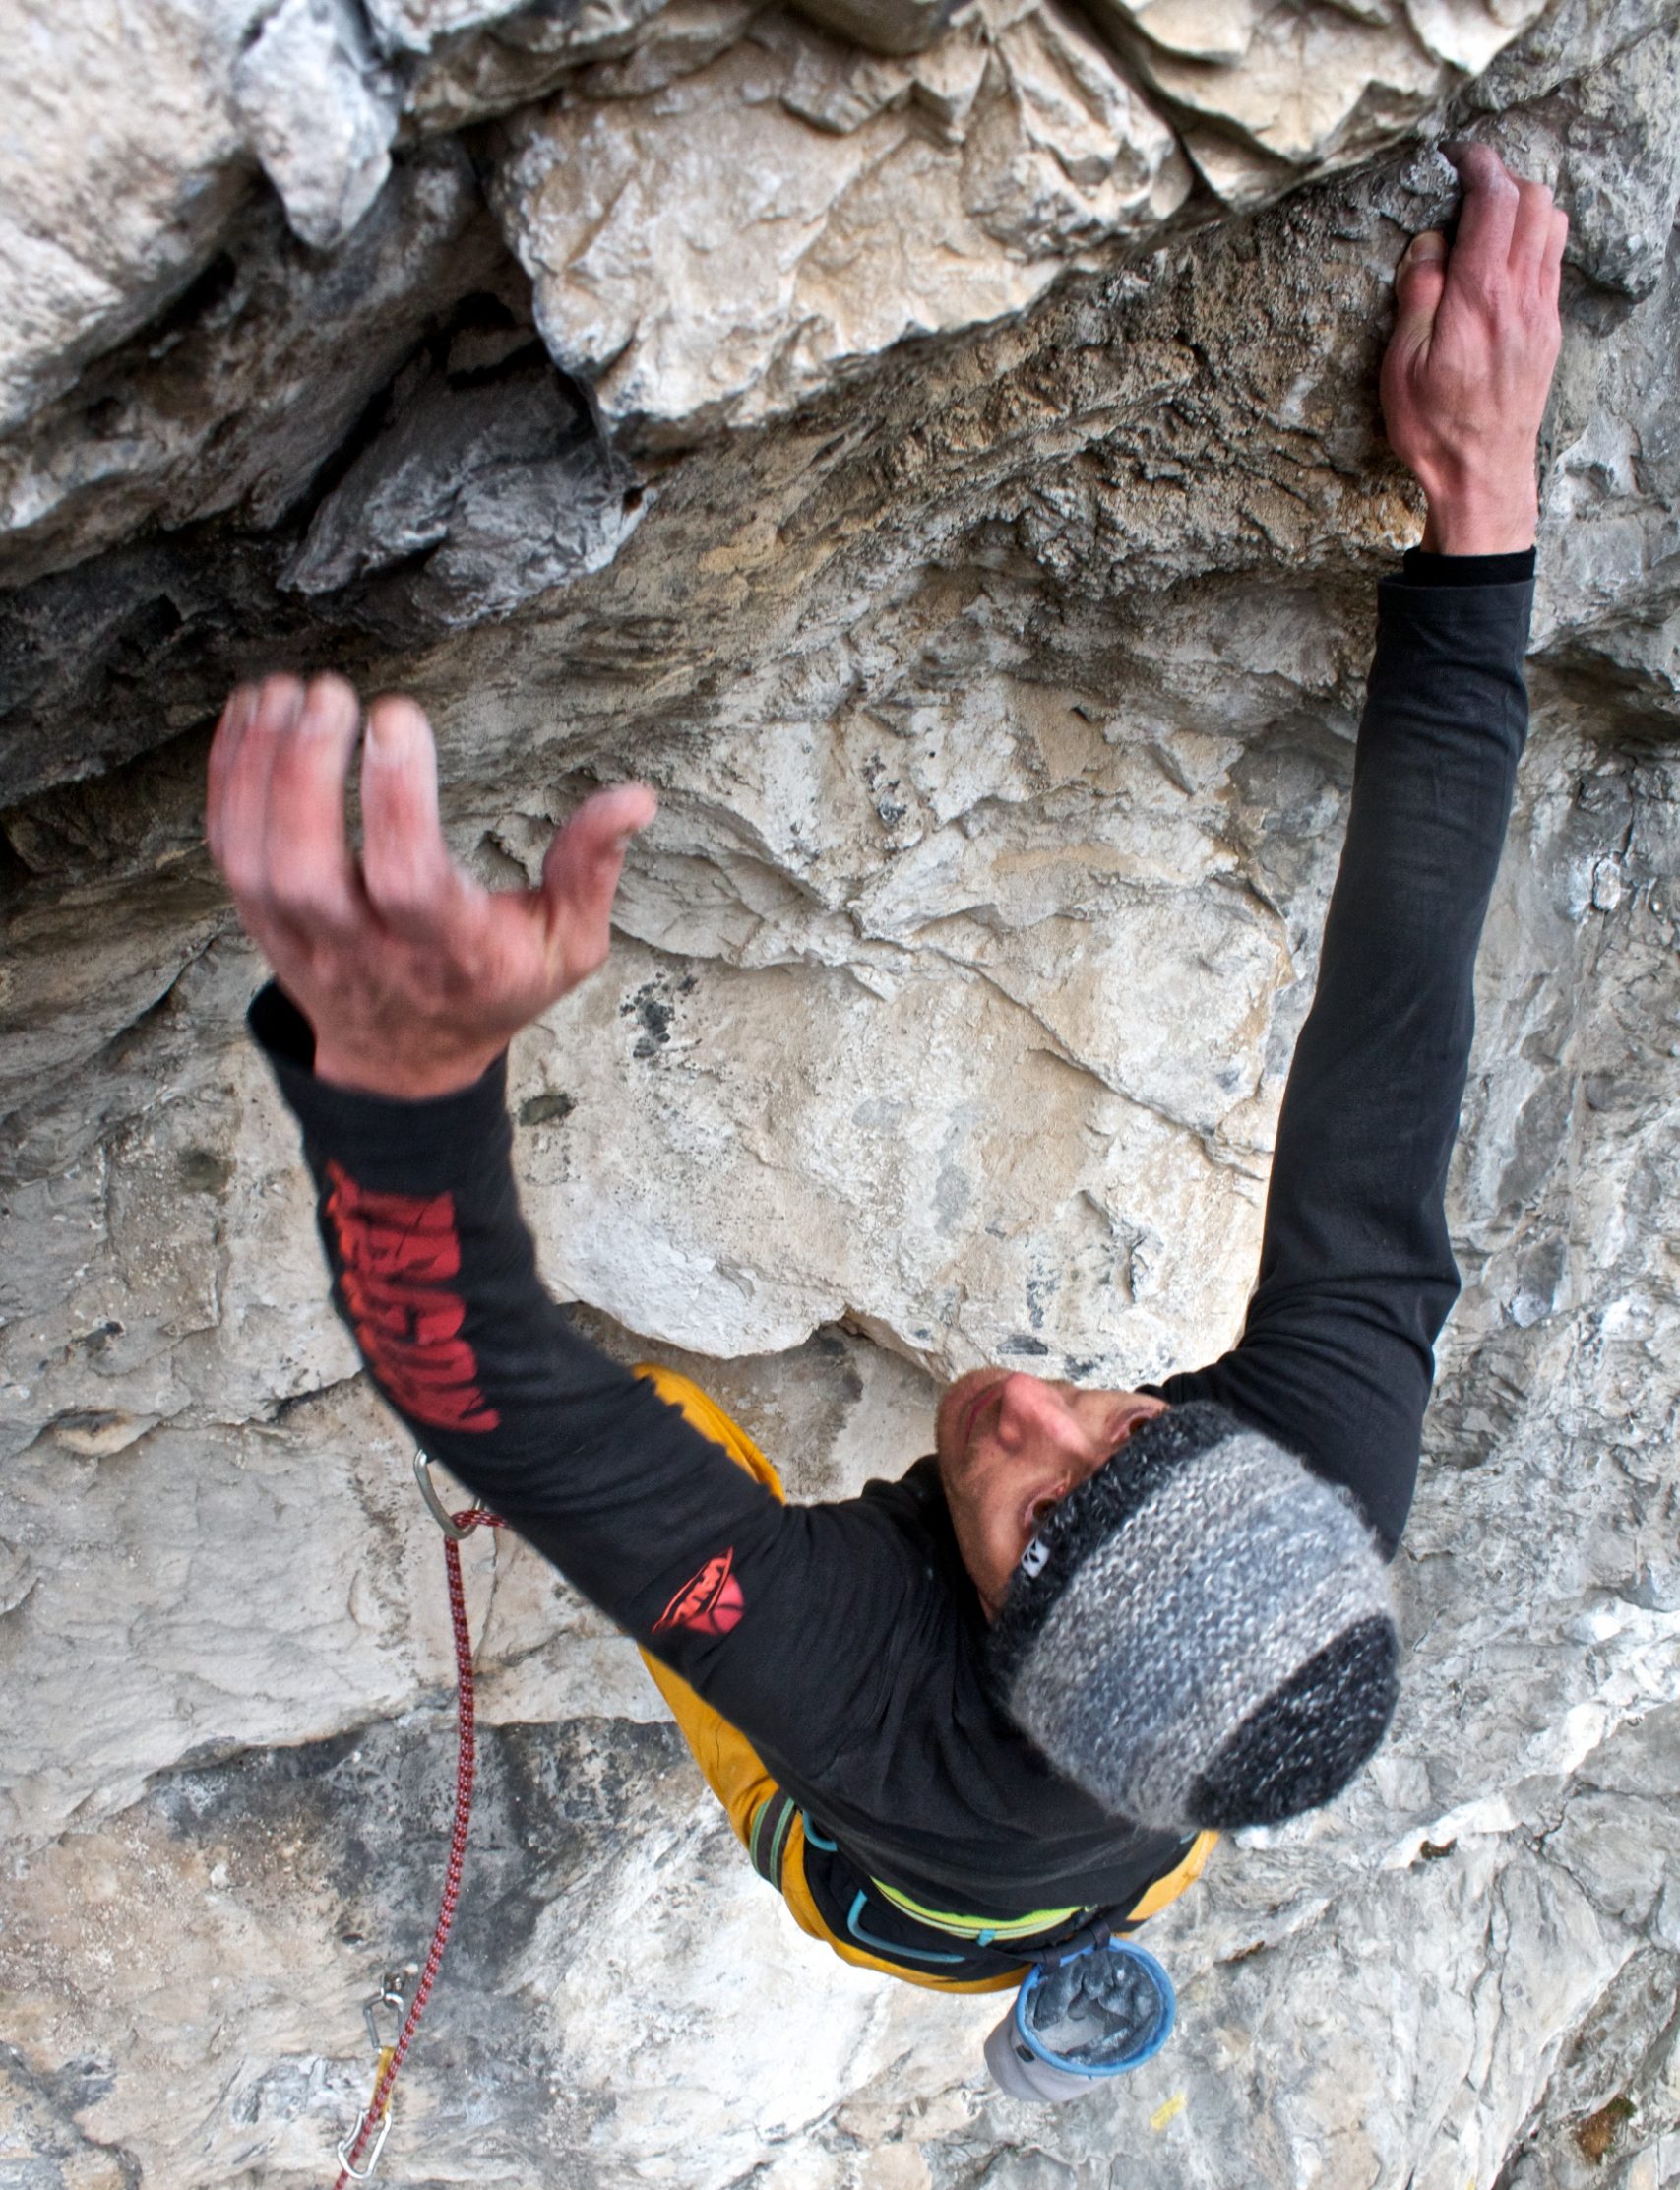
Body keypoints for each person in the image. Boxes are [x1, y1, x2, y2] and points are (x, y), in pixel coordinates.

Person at [206, 144, 1567, 2077]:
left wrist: (404, 1090)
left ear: (997, 1648)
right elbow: (1400, 1004)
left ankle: (1013, 1941)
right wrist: (1477, 522)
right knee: (1107, 1730)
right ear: (1261, 1467)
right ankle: (1104, 1865)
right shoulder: (1306, 1482)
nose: (1026, 1401)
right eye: (1130, 1421)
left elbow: (481, 1391)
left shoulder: (856, 1692)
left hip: (879, 1874)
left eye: (1028, 1511)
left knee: (654, 1436)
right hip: (1138, 1827)